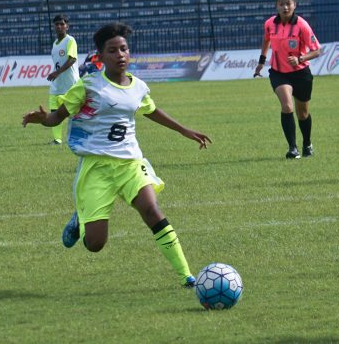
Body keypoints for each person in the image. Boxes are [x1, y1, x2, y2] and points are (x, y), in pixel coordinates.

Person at [22, 22, 212, 287]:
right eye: (113, 50)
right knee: (96, 244)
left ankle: (186, 276)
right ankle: (80, 220)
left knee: (152, 210)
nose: (120, 55)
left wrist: (184, 130)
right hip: (96, 168)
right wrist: (43, 119)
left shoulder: (138, 87)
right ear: (101, 56)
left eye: (124, 49)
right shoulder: (88, 86)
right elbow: (58, 118)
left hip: (130, 164)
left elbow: (151, 110)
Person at [253, 0, 321, 159]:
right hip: (278, 72)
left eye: (288, 4)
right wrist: (261, 62)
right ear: (276, 6)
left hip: (300, 73)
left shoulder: (302, 25)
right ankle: (293, 148)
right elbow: (266, 40)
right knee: (287, 106)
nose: (285, 7)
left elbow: (317, 51)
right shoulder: (270, 24)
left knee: (303, 113)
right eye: (281, 4)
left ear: (294, 5)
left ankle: (307, 144)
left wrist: (300, 59)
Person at [46, 14, 80, 144]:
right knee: (54, 110)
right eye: (56, 24)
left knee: (74, 113)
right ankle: (57, 139)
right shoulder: (55, 44)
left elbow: (72, 59)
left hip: (70, 84)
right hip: (57, 84)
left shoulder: (70, 40)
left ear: (67, 26)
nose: (59, 26)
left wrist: (56, 73)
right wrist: (56, 74)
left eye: (62, 24)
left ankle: (77, 136)